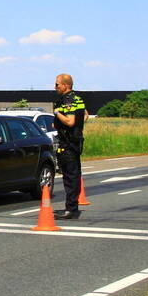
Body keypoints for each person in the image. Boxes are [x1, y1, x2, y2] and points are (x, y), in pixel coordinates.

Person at [53, 73, 86, 219]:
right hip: (75, 140)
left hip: (68, 143)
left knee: (70, 177)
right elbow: (85, 116)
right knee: (74, 175)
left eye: (57, 84)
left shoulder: (68, 100)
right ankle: (72, 207)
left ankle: (71, 210)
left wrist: (57, 113)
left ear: (65, 85)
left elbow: (70, 121)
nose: (55, 87)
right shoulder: (78, 99)